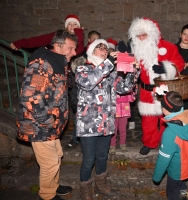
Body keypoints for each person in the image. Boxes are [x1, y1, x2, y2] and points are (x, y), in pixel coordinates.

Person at [72, 39, 140, 199]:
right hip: (88, 125)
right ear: (91, 51)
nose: (105, 51)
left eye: (105, 48)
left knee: (102, 156)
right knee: (89, 159)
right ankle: (85, 190)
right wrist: (109, 62)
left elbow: (124, 88)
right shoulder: (83, 68)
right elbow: (88, 83)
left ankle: (101, 185)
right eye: (100, 48)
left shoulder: (110, 72)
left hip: (106, 123)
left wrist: (133, 71)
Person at [16, 30, 77, 200]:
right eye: (71, 48)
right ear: (57, 46)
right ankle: (48, 195)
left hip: (50, 124)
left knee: (57, 156)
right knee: (49, 163)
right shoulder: (42, 64)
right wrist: (49, 121)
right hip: (38, 125)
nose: (74, 52)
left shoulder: (58, 61)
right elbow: (31, 98)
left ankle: (54, 186)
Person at [127, 17, 185, 155]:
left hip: (165, 89)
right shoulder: (136, 50)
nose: (141, 38)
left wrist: (166, 68)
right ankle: (149, 143)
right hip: (146, 90)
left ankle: (166, 143)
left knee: (166, 119)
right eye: (138, 35)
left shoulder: (169, 47)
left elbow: (180, 64)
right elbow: (129, 69)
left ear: (152, 34)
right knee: (148, 120)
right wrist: (125, 56)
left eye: (144, 35)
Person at [152, 91, 188, 200]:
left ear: (165, 109)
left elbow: (163, 159)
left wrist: (157, 176)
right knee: (182, 183)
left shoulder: (170, 133)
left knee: (172, 192)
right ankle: (184, 193)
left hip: (176, 170)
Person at [67, 30, 101, 148]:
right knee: (79, 118)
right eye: (93, 39)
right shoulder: (82, 55)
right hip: (79, 92)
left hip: (94, 96)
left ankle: (90, 141)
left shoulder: (100, 56)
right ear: (88, 40)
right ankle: (75, 139)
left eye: (97, 39)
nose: (95, 41)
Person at [10, 14, 84, 55]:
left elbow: (78, 50)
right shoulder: (59, 35)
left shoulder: (80, 37)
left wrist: (78, 32)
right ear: (66, 26)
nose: (72, 26)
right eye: (69, 24)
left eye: (75, 24)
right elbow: (39, 40)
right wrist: (22, 42)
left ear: (78, 26)